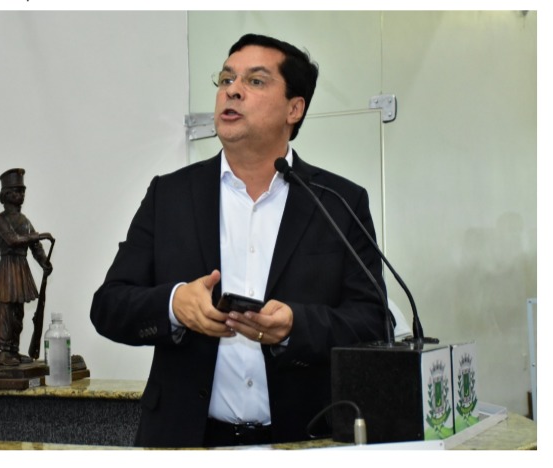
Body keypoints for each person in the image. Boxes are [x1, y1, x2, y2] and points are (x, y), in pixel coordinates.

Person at [90, 33, 386, 447]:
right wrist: (175, 305)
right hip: (185, 440)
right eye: (226, 79)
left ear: (294, 109)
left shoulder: (338, 201)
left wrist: (295, 326)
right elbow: (108, 306)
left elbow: (374, 323)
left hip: (303, 440)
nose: (232, 90)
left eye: (255, 81)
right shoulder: (170, 196)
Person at [0, 168, 54, 366]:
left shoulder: (25, 221)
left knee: (18, 312)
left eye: (23, 191)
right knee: (6, 311)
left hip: (21, 267)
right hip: (8, 267)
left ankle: (14, 351)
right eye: (18, 191)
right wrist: (38, 236)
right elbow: (12, 239)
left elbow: (35, 247)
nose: (22, 195)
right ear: (6, 195)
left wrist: (44, 262)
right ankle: (4, 352)